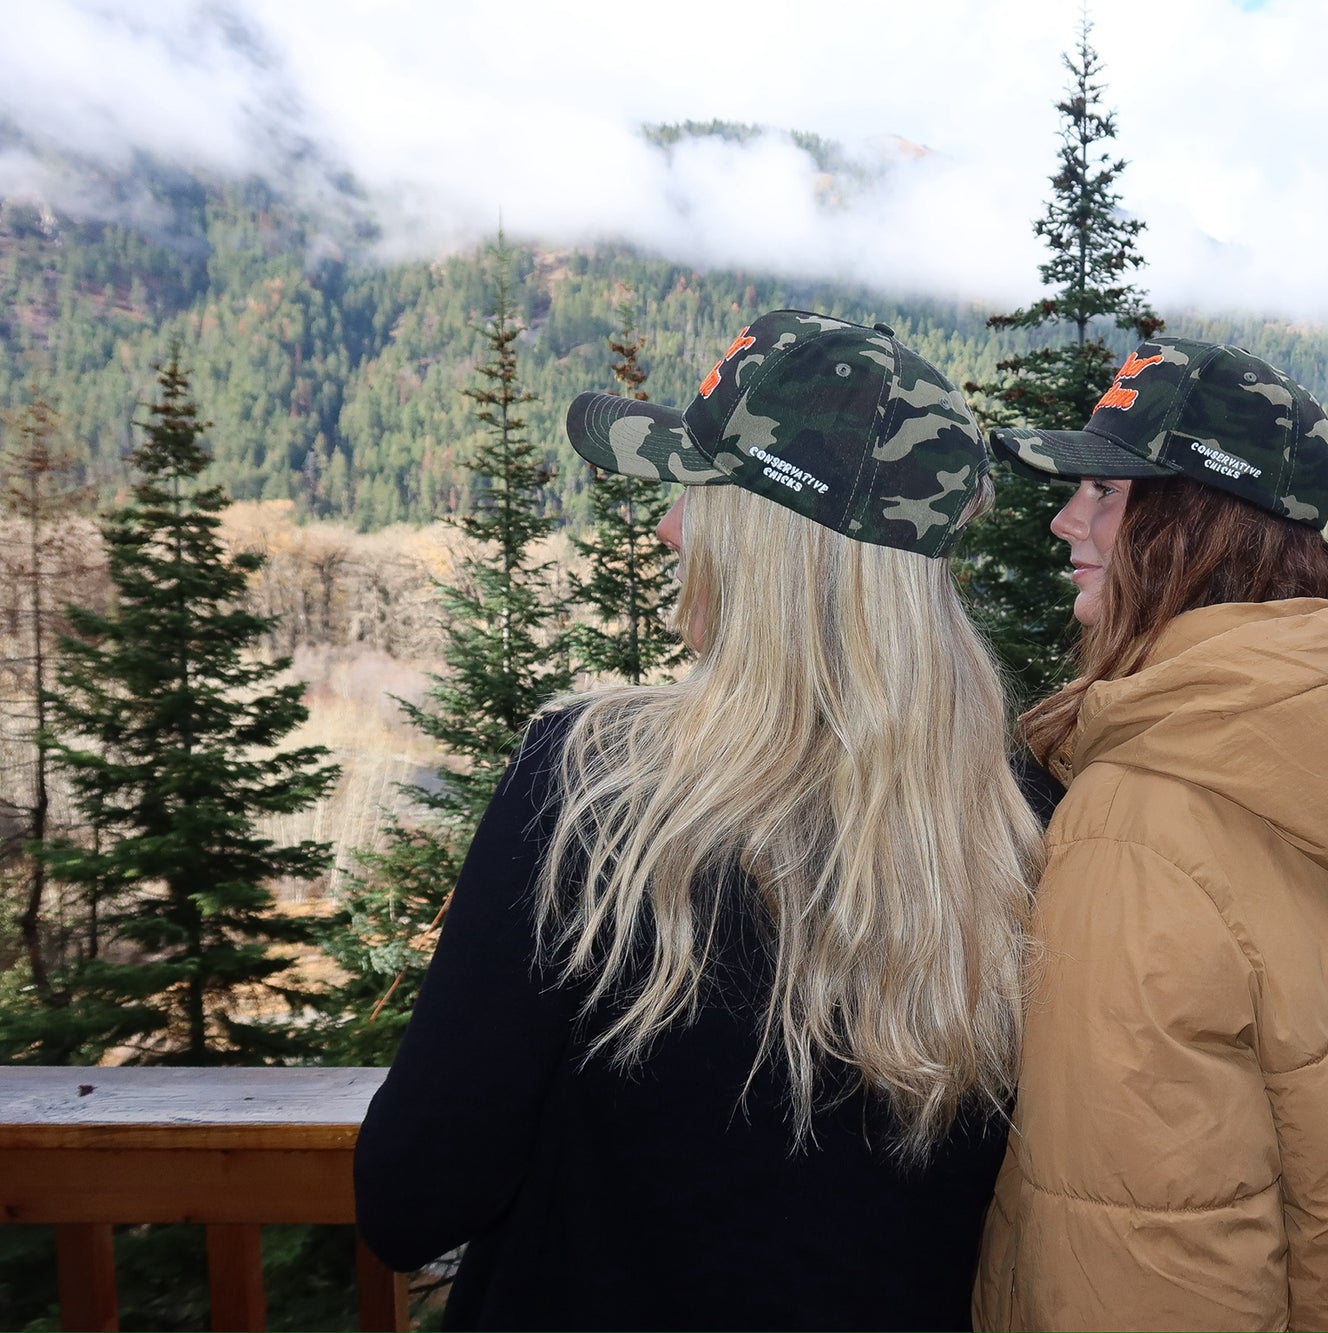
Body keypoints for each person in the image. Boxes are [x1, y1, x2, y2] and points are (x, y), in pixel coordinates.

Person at [354, 311, 1049, 1331]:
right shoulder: (1026, 820)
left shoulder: (590, 792)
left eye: (696, 495)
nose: (669, 528)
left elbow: (413, 1197)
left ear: (766, 539)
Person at [973, 338, 1328, 1331]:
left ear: (1192, 522)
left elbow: (1145, 1252)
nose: (1066, 519)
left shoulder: (1141, 824)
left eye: (1104, 492)